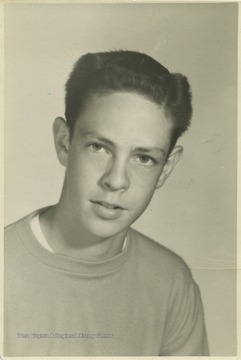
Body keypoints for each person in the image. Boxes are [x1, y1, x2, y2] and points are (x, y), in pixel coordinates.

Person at [4, 50, 209, 356]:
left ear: (166, 167)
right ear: (64, 141)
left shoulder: (171, 283)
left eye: (144, 158)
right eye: (99, 147)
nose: (116, 180)